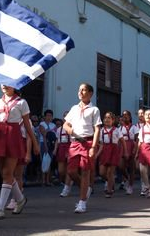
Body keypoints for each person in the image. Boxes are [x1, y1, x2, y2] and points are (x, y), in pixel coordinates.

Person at [0, 85, 39, 220]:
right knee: (4, 173)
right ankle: (20, 199)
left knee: (8, 173)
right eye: (2, 83)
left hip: (13, 137)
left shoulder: (21, 102)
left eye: (7, 83)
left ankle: (0, 208)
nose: (3, 85)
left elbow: (27, 125)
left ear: (14, 86)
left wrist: (35, 143)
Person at [63, 83, 101, 214]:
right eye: (79, 90)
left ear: (90, 93)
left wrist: (93, 147)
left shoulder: (94, 110)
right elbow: (66, 124)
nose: (80, 92)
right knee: (71, 171)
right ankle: (86, 189)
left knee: (85, 172)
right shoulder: (74, 108)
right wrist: (71, 131)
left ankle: (82, 202)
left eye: (83, 90)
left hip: (88, 142)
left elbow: (97, 129)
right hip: (75, 143)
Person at [96, 112, 127, 198]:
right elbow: (101, 144)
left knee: (110, 172)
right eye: (105, 118)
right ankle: (110, 182)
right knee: (102, 172)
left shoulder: (117, 130)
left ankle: (109, 190)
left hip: (113, 151)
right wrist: (97, 155)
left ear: (113, 120)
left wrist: (125, 152)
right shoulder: (101, 131)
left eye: (109, 118)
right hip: (104, 151)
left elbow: (123, 142)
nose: (107, 119)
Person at [118, 110, 138, 195]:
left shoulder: (134, 127)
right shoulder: (120, 128)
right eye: (123, 115)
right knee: (121, 166)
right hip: (123, 146)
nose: (125, 117)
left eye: (127, 115)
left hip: (131, 145)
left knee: (132, 167)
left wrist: (135, 149)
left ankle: (130, 186)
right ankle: (127, 178)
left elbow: (137, 139)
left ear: (130, 117)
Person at [54, 112, 73, 197]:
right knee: (61, 170)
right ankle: (69, 180)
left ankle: (66, 188)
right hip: (61, 147)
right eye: (64, 116)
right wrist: (55, 149)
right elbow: (57, 140)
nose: (66, 117)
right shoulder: (59, 129)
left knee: (69, 169)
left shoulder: (73, 128)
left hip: (70, 147)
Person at [39, 110, 56, 186]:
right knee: (43, 161)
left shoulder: (53, 125)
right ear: (45, 116)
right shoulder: (41, 124)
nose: (49, 117)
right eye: (47, 115)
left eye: (50, 116)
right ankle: (43, 181)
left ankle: (48, 180)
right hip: (43, 144)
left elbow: (54, 136)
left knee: (49, 162)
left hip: (51, 144)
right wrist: (46, 146)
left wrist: (48, 132)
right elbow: (44, 134)